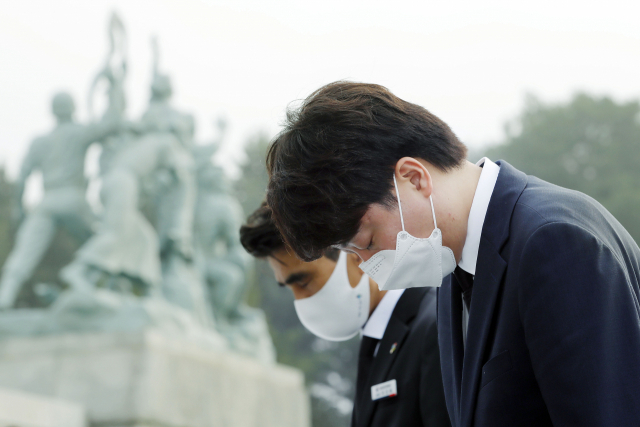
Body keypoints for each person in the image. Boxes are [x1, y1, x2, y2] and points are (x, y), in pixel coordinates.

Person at [265, 81, 640, 426]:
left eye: (366, 241)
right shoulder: (452, 267)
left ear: (413, 177)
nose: (365, 264)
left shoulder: (553, 243)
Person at [240, 202, 450, 427]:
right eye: (289, 288)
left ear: (352, 253)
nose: (300, 300)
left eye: (303, 281)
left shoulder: (434, 329)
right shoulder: (380, 340)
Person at [0, 92, 123, 308]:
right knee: (101, 238)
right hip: (72, 198)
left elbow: (22, 178)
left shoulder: (40, 141)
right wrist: (115, 92)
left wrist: (18, 208)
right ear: (72, 109)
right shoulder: (78, 132)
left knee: (24, 253)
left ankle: (5, 295)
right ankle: (92, 277)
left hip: (46, 202)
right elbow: (111, 124)